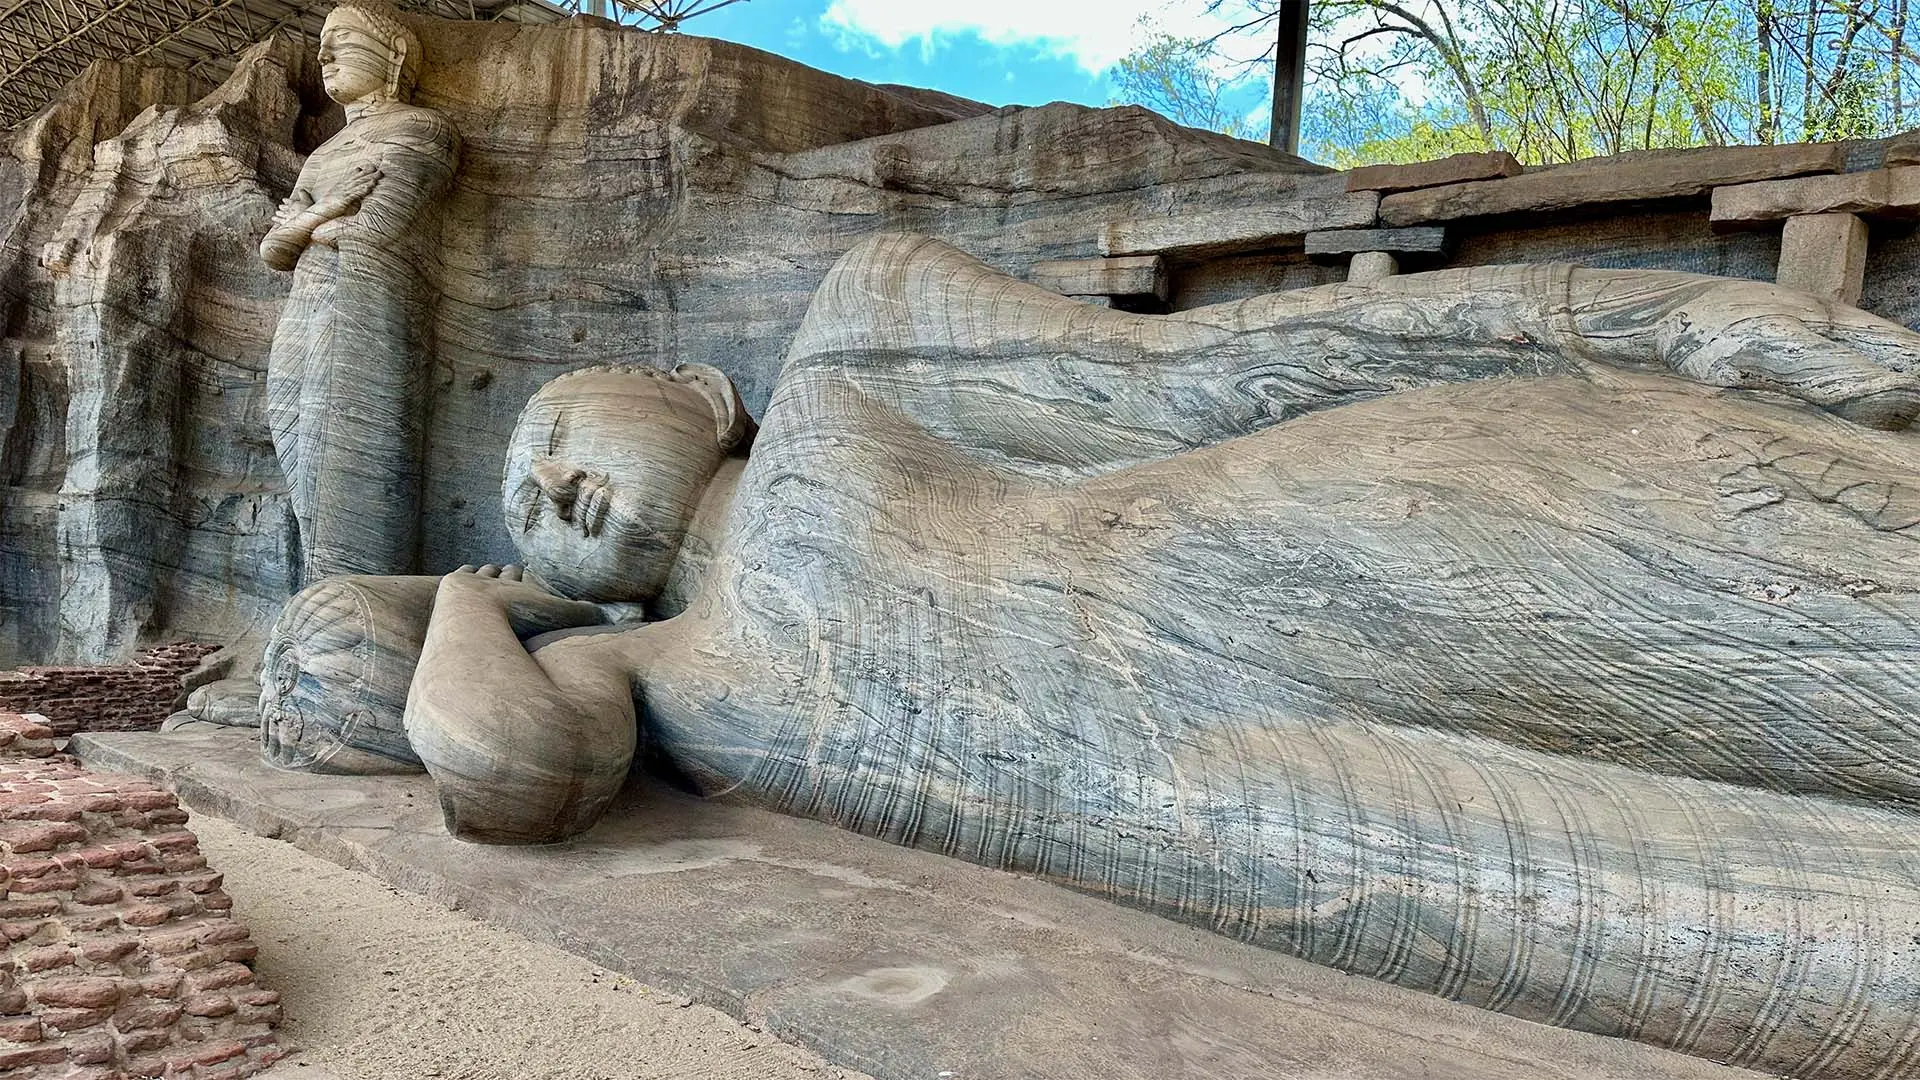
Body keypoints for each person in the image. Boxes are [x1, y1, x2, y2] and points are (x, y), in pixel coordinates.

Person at [310, 236, 1920, 1078]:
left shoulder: (852, 357)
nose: (556, 490)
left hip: (1330, 540)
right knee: (1826, 950)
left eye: (560, 432)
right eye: (532, 512)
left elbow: (1227, 365)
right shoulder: (642, 672)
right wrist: (478, 603)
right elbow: (507, 770)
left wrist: (1656, 329)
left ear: (688, 382)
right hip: (1247, 798)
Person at [259, 0, 458, 582]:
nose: (323, 55)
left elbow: (374, 230)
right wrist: (325, 209)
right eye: (323, 43)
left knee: (349, 458)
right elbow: (274, 252)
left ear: (394, 55)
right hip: (304, 312)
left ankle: (361, 606)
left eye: (341, 40)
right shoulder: (323, 154)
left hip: (369, 310)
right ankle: (320, 598)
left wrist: (308, 224)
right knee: (295, 445)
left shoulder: (422, 131)